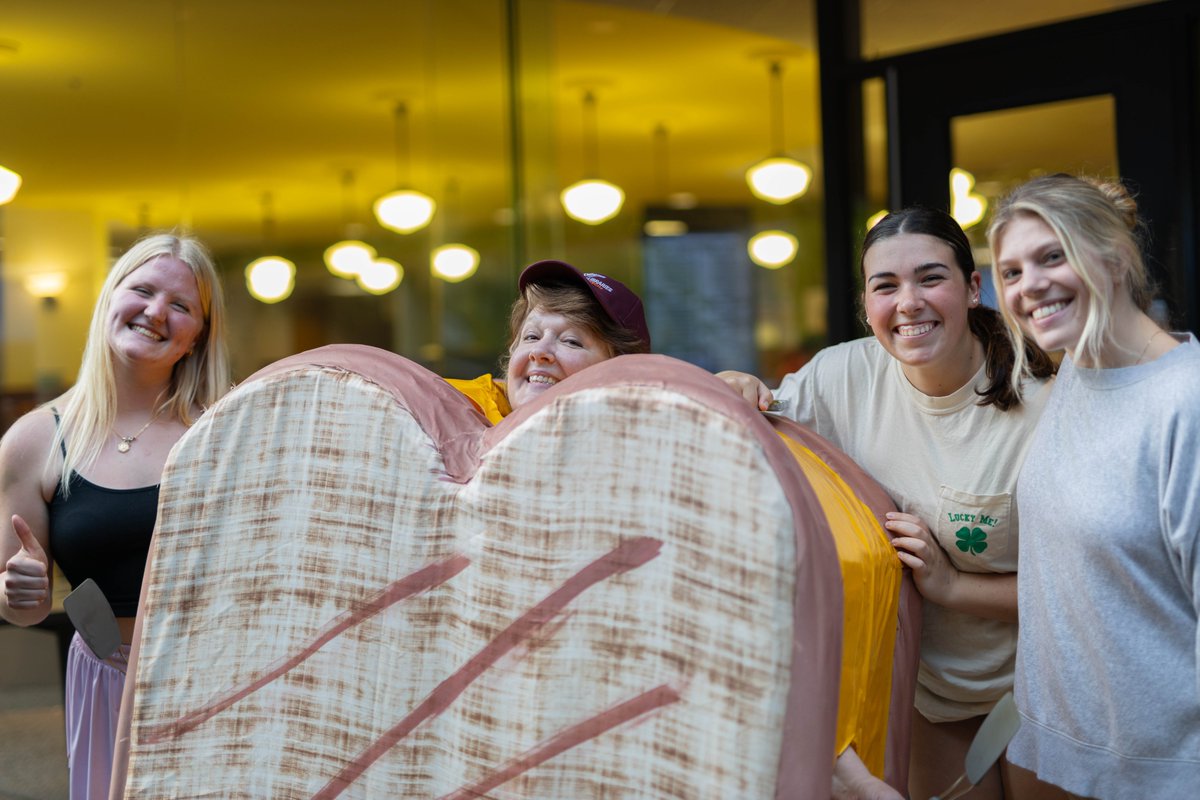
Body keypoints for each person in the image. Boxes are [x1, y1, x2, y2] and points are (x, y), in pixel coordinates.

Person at [719, 207, 1064, 800]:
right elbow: (743, 428)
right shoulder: (839, 378)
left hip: (1049, 686)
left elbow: (1084, 590)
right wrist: (732, 384)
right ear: (866, 302)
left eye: (931, 278)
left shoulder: (1049, 393)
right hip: (927, 693)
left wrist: (952, 586)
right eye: (886, 286)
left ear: (973, 287)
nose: (909, 302)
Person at [988, 174, 1200, 799]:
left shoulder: (1185, 401)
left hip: (1163, 773)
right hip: (1052, 751)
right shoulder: (1078, 368)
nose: (1030, 286)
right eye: (1012, 271)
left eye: (1053, 256)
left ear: (1113, 257)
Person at [0, 232, 231, 799]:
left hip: (210, 677)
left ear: (198, 337)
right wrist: (21, 593)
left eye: (181, 306)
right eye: (143, 290)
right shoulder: (35, 440)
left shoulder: (223, 433)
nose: (156, 312)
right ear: (110, 298)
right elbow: (21, 613)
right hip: (103, 679)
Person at [446, 259, 651, 421]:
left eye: (571, 341)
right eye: (531, 336)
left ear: (620, 371)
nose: (538, 351)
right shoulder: (455, 408)